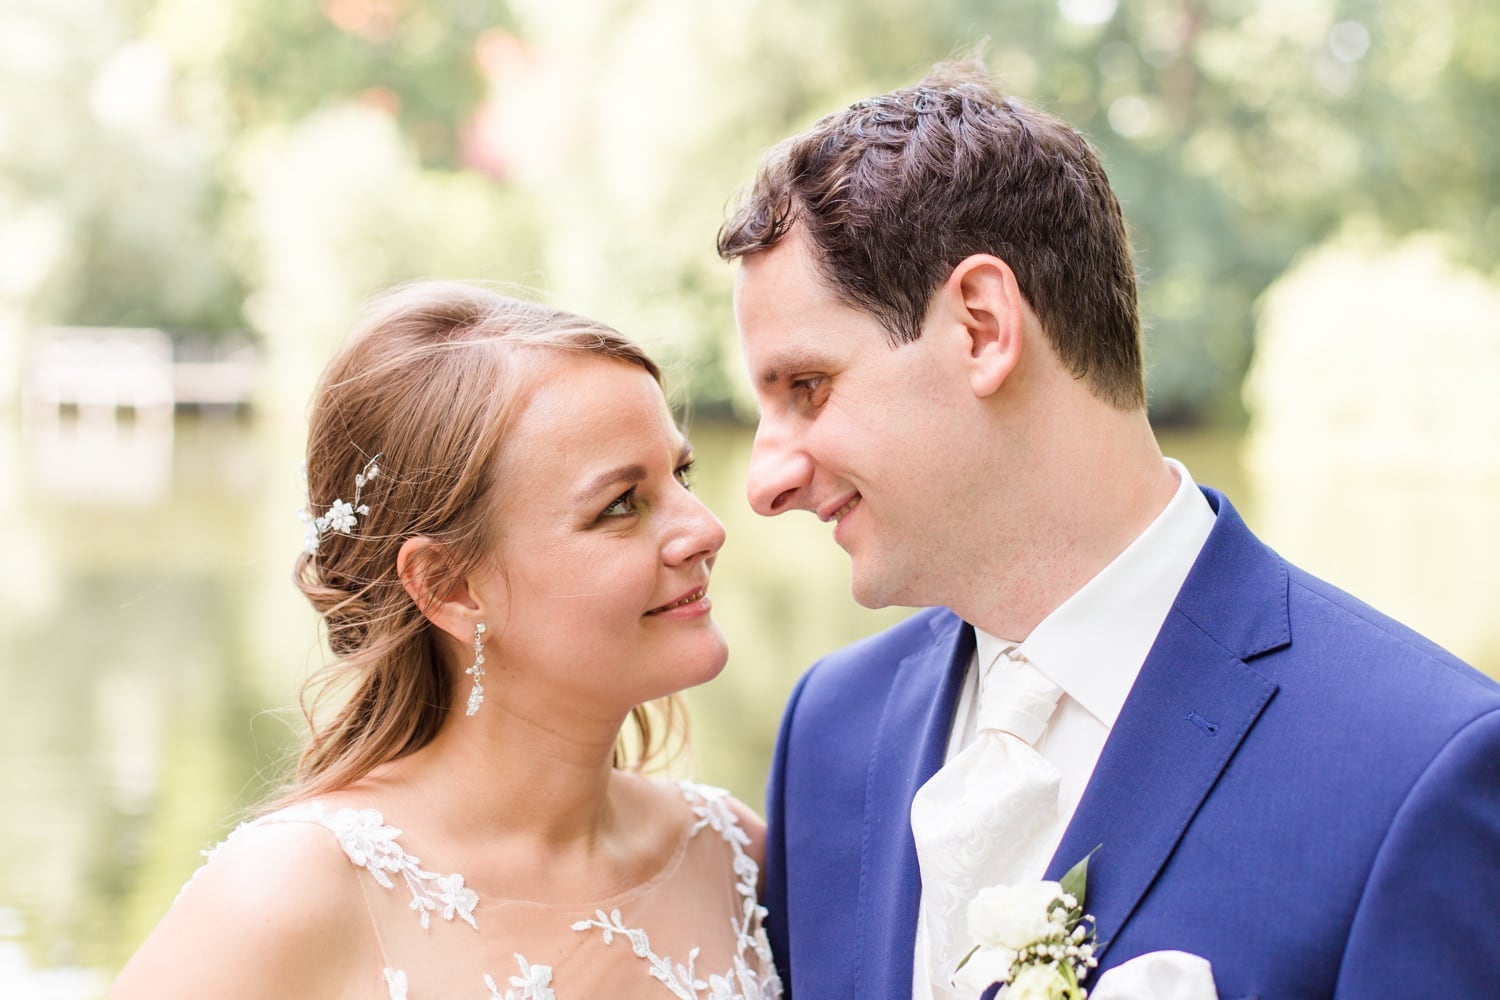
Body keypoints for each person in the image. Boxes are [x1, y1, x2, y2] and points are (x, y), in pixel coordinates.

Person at [716, 60, 1500, 999]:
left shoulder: (1420, 767)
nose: (763, 483)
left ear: (981, 327)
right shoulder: (828, 734)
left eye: (807, 387)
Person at [108, 281, 782, 1000]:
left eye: (682, 473)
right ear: (451, 587)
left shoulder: (731, 852)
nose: (706, 528)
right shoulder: (290, 892)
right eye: (621, 504)